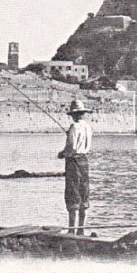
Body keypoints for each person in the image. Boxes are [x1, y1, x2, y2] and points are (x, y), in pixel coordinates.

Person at [58, 99, 94, 234]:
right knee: (84, 193)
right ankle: (81, 230)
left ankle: (71, 231)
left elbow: (71, 148)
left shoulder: (74, 127)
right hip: (85, 161)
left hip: (73, 162)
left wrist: (61, 154)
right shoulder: (88, 127)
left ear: (74, 114)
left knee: (73, 194)